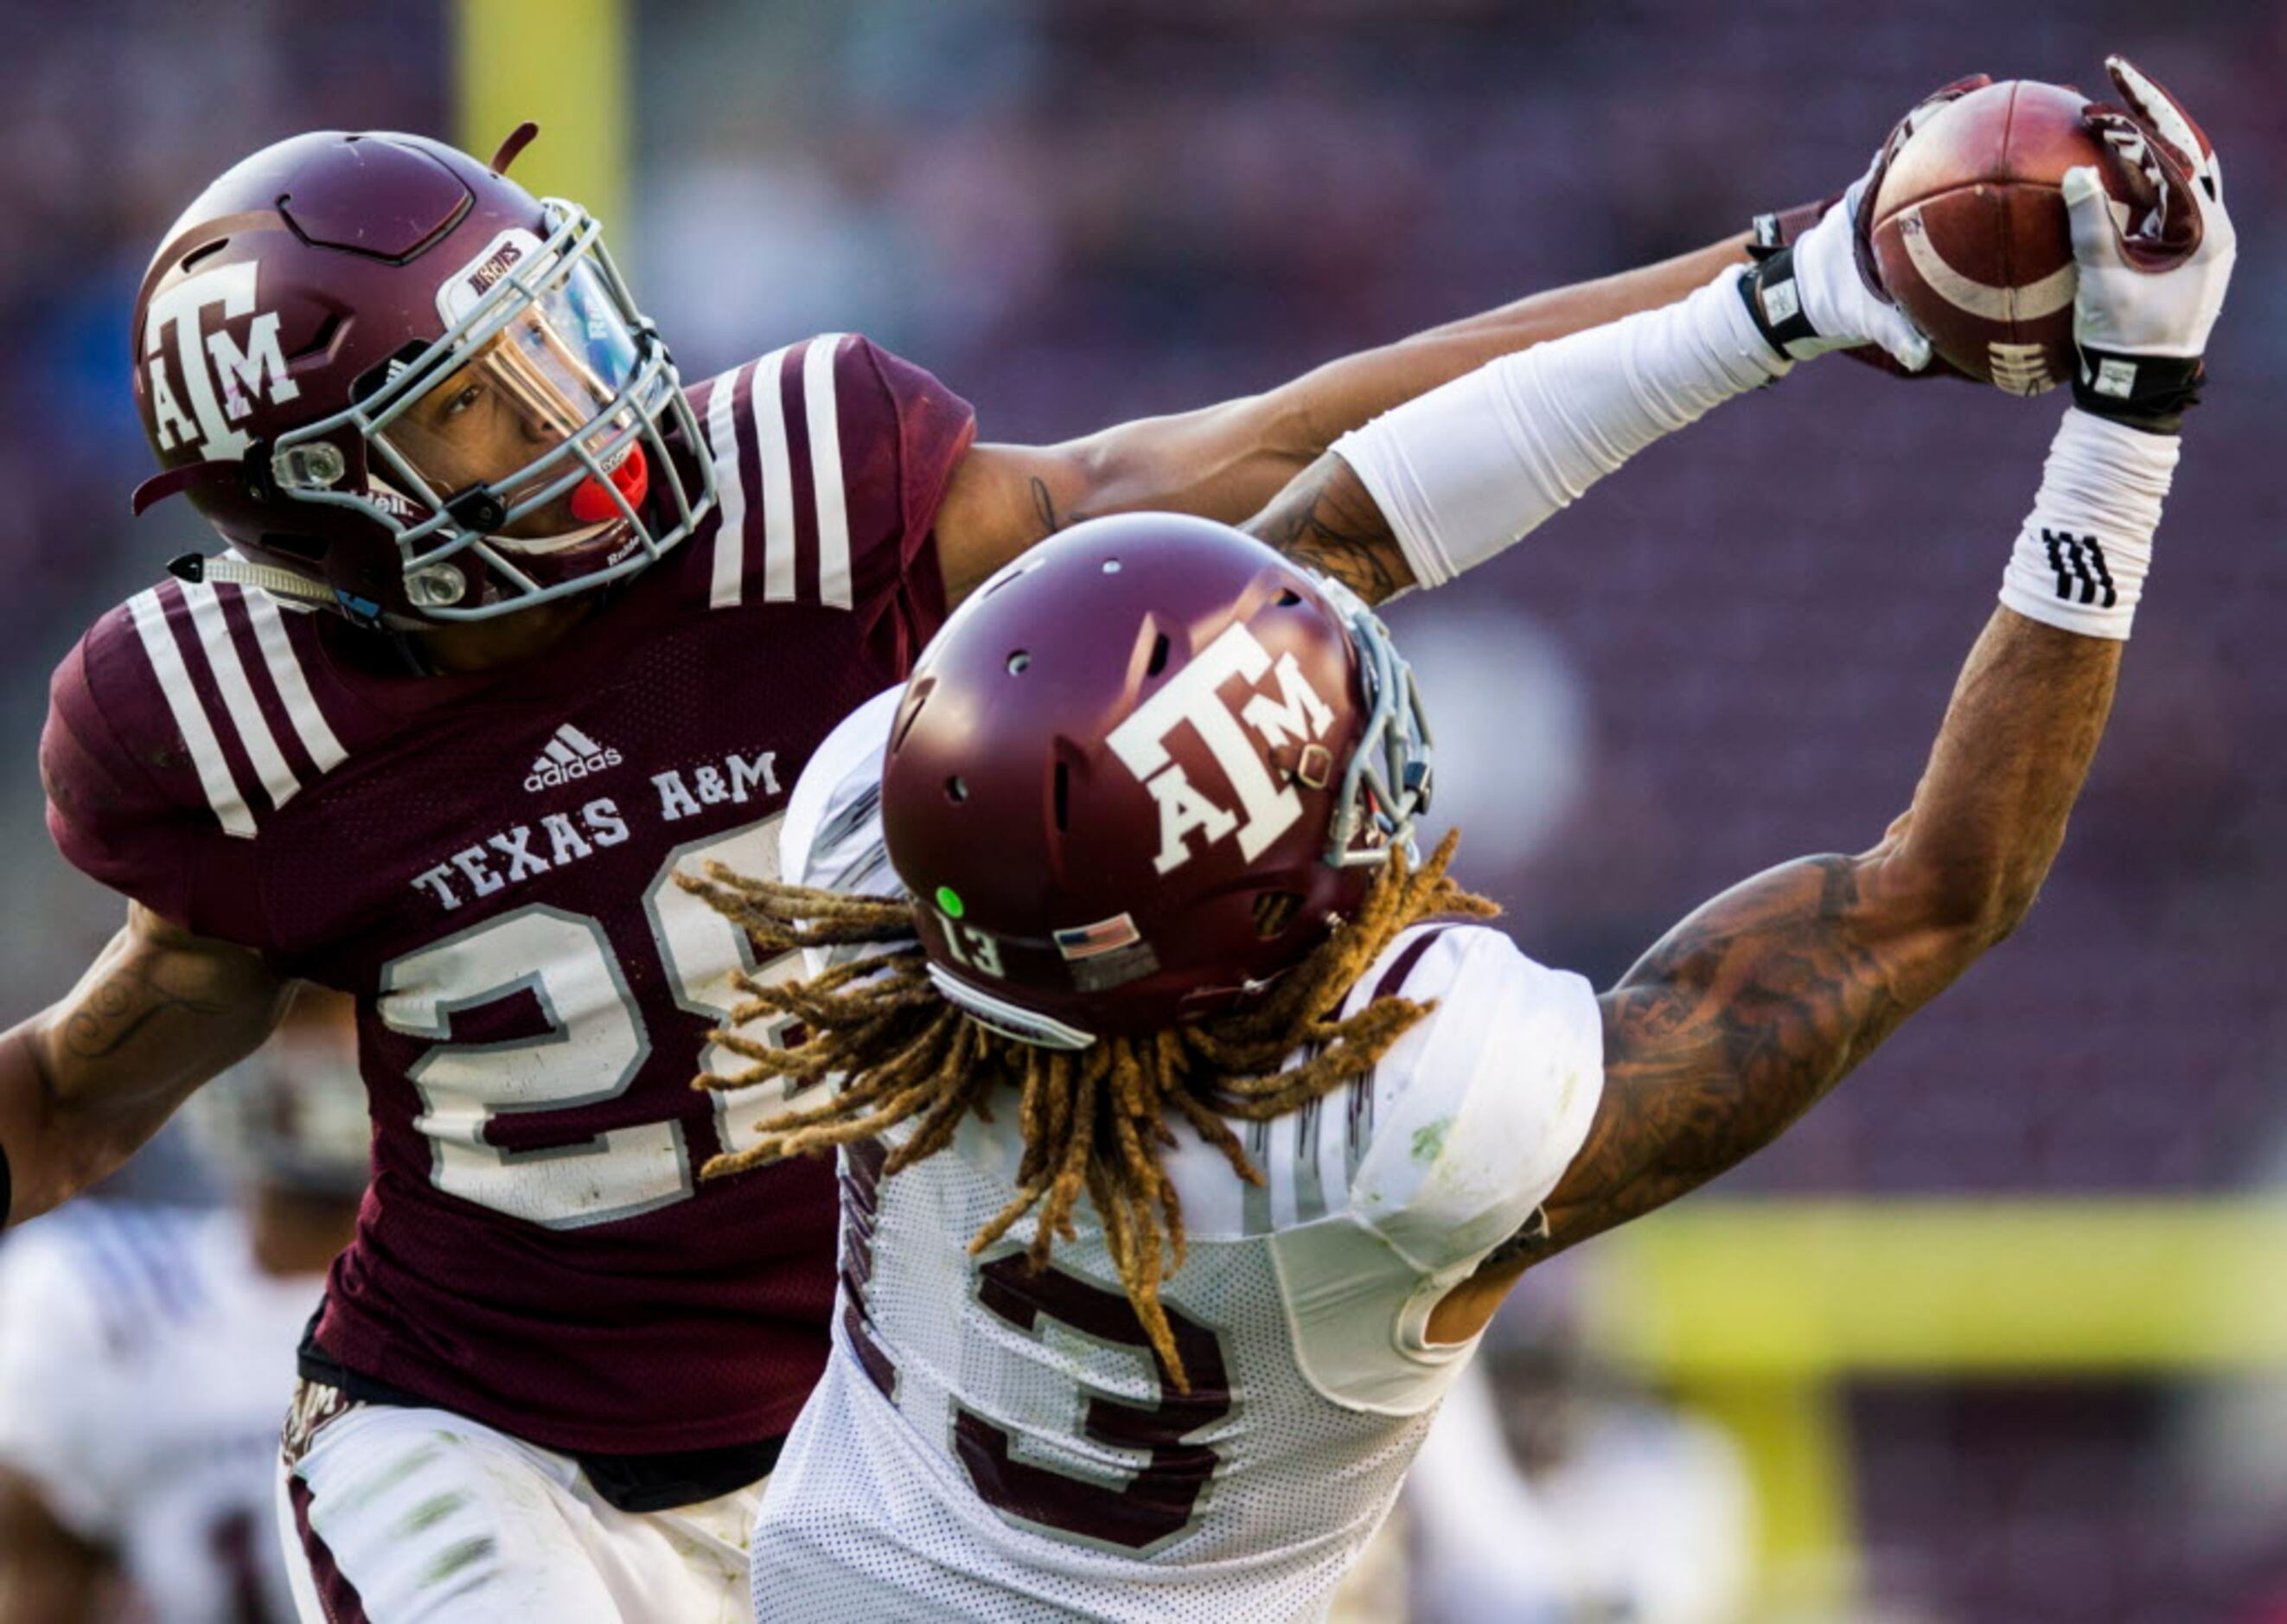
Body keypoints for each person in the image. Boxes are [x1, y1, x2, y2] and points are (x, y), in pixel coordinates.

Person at [0, 105, 1918, 1619]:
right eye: (481, 402)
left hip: (874, 1441)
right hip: (492, 1442)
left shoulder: (811, 498)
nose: (583, 399)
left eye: (558, 327)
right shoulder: (232, 736)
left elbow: (1279, 477)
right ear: (324, 507)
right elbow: (85, 1092)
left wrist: (1781, 286)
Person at [679, 58, 2231, 1621]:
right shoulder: (1394, 1126)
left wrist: (1793, 295)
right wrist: (2129, 414)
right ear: (1264, 948)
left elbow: (1321, 548)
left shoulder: (889, 859)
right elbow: (1932, 896)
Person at [0, 988, 364, 1624]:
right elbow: (44, 1585)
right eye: (297, 1015)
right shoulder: (97, 1294)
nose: (333, 1048)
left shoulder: (513, 1298)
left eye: (361, 1011)